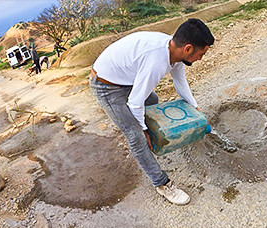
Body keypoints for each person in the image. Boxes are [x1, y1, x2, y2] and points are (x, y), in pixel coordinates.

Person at [89, 19, 214, 205]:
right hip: (106, 86)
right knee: (136, 137)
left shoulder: (174, 51)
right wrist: (143, 129)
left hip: (125, 80)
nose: (200, 59)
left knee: (153, 100)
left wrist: (194, 107)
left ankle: (153, 143)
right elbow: (136, 102)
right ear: (188, 49)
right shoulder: (156, 61)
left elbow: (180, 83)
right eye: (201, 54)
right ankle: (162, 183)